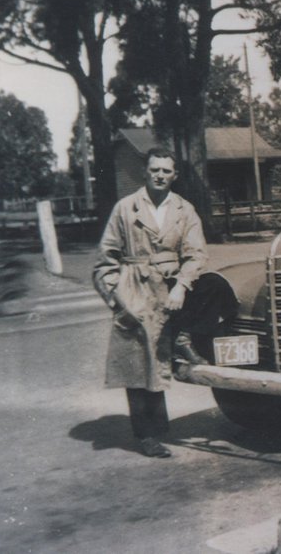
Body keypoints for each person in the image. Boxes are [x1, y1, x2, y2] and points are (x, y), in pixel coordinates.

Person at [92, 147, 208, 458]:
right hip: (136, 288)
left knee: (160, 357)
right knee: (137, 362)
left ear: (175, 175)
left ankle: (184, 339)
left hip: (170, 288)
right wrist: (118, 298)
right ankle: (146, 435)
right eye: (155, 169)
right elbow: (105, 261)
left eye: (166, 171)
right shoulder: (125, 208)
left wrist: (182, 286)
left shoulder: (185, 210)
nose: (160, 175)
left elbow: (196, 255)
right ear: (146, 171)